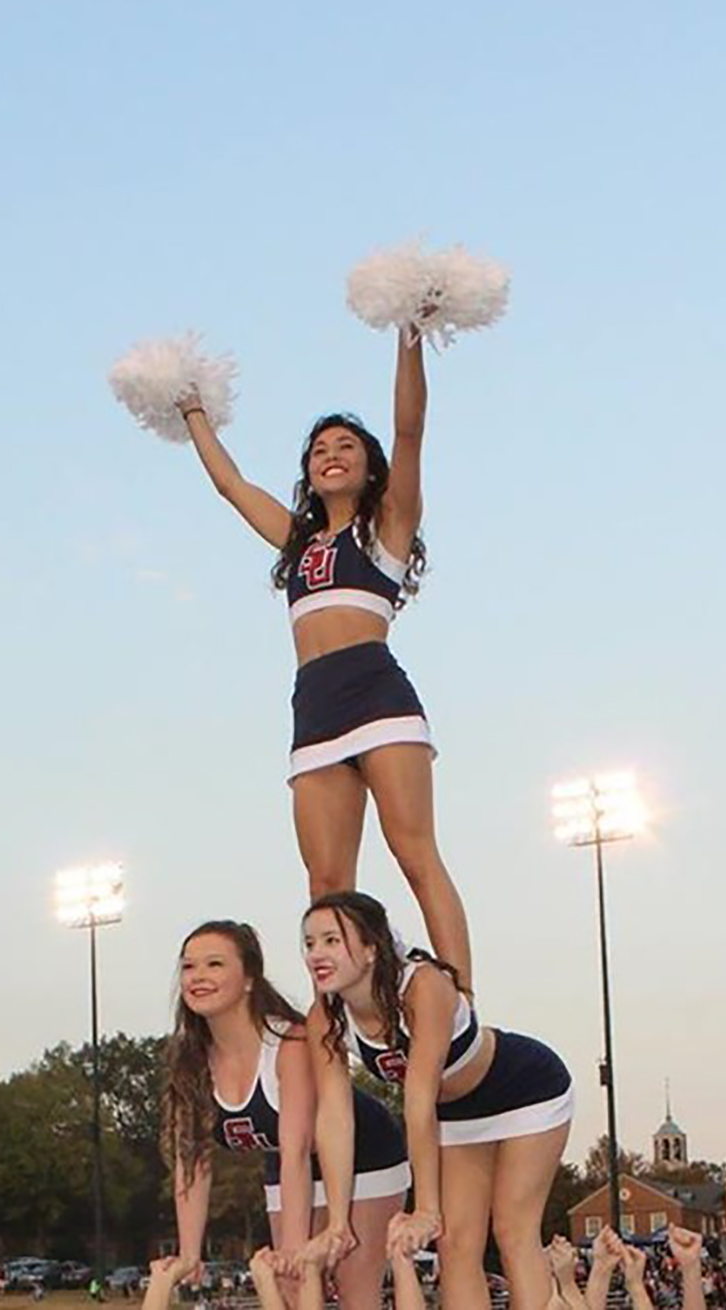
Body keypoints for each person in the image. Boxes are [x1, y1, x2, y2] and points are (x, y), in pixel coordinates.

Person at [174, 324, 472, 985]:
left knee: (415, 852)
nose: (330, 454)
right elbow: (230, 485)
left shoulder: (387, 526)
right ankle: (339, 1012)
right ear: (308, 471)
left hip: (378, 696)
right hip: (314, 709)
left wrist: (410, 335)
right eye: (318, 449)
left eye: (345, 446)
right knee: (327, 881)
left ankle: (459, 995)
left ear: (369, 467)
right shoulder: (298, 544)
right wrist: (191, 408)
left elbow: (410, 430)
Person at [303, 892, 574, 1310]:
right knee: (454, 1244)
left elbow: (418, 1101)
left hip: (525, 1090)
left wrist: (426, 1207)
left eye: (331, 940)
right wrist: (338, 1222)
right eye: (309, 943)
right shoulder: (325, 1016)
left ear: (372, 948)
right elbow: (336, 1121)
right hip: (457, 1114)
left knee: (512, 1229)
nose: (316, 954)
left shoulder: (423, 985)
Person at [163, 920, 408, 1310]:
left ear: (248, 979)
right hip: (288, 1164)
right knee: (292, 1293)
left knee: (352, 1291)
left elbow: (296, 1150)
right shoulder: (190, 1061)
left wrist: (296, 1250)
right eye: (189, 967)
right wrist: (190, 1253)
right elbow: (192, 1160)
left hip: (364, 1155)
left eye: (214, 964)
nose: (198, 977)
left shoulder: (289, 1042)